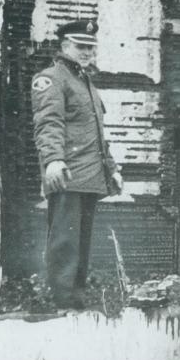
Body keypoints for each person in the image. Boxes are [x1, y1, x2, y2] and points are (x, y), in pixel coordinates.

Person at [32, 19, 122, 309]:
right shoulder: (50, 78)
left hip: (91, 175)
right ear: (64, 45)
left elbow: (97, 134)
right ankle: (63, 304)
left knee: (82, 243)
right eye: (81, 46)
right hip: (67, 173)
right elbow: (48, 123)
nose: (86, 52)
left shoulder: (85, 83)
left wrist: (113, 168)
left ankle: (77, 303)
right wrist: (53, 160)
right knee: (65, 243)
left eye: (90, 48)